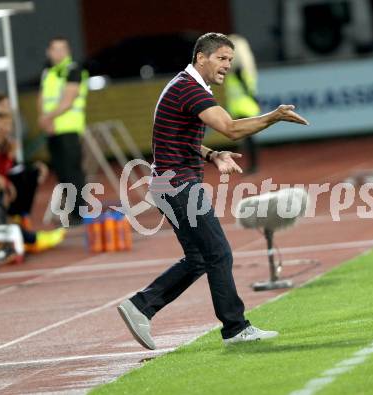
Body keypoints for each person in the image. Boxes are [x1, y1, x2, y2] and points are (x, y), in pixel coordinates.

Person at [117, 33, 308, 348]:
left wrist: (211, 154)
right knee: (219, 253)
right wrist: (274, 117)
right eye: (221, 58)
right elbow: (231, 129)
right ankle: (235, 328)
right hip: (177, 185)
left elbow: (176, 137)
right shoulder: (189, 89)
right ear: (201, 58)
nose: (227, 66)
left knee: (199, 258)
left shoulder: (183, 85)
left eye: (230, 60)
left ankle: (141, 306)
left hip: (168, 184)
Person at [0, 92, 66, 255]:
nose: (9, 124)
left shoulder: (7, 143)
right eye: (4, 117)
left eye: (10, 119)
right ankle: (27, 238)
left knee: (30, 174)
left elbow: (9, 169)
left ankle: (18, 223)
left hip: (3, 189)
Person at [37, 37, 88, 225]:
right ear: (48, 52)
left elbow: (68, 100)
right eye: (55, 49)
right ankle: (73, 212)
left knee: (72, 171)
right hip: (53, 129)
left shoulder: (73, 70)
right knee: (60, 172)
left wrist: (47, 118)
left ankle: (79, 213)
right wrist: (44, 118)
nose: (59, 53)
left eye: (62, 49)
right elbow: (42, 97)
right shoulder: (47, 72)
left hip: (69, 129)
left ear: (68, 51)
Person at [226, 34, 261, 174]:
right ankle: (252, 165)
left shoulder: (238, 72)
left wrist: (252, 97)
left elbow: (245, 86)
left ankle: (253, 166)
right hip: (245, 106)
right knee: (248, 139)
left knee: (249, 140)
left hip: (244, 107)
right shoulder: (243, 70)